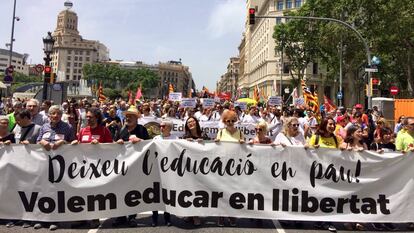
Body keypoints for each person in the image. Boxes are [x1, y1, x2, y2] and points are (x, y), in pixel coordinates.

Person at [36, 105, 75, 230]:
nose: (56, 116)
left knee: (57, 192)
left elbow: (74, 143)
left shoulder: (67, 127)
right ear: (49, 115)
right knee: (43, 191)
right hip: (44, 165)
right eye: (53, 113)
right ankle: (42, 219)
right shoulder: (44, 127)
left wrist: (63, 142)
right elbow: (37, 142)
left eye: (58, 113)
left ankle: (55, 220)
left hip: (60, 166)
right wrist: (42, 142)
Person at [214, 110, 243, 227]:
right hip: (222, 166)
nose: (230, 123)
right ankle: (221, 216)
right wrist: (216, 142)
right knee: (222, 192)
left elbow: (245, 148)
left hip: (235, 167)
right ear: (224, 121)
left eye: (232, 121)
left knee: (233, 192)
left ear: (235, 121)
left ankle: (232, 215)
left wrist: (243, 142)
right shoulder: (220, 133)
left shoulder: (240, 133)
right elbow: (215, 148)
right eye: (227, 121)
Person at [151, 120, 176, 226]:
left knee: (168, 194)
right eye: (160, 126)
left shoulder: (176, 139)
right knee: (155, 194)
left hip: (170, 170)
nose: (161, 128)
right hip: (157, 170)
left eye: (164, 126)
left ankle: (167, 217)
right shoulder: (156, 138)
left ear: (169, 128)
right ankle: (154, 217)